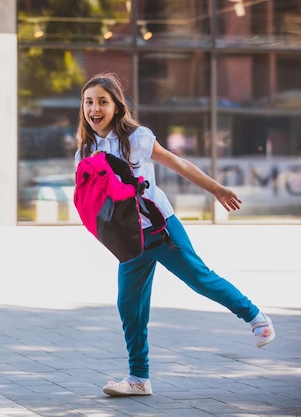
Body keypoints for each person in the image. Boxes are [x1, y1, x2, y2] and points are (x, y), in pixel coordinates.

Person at [74, 73, 276, 397]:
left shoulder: (138, 138)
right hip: (131, 241)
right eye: (89, 102)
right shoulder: (86, 150)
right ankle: (139, 379)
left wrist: (217, 189)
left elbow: (178, 163)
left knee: (199, 278)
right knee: (128, 305)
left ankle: (254, 316)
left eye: (102, 102)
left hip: (161, 229)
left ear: (116, 106)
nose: (94, 109)